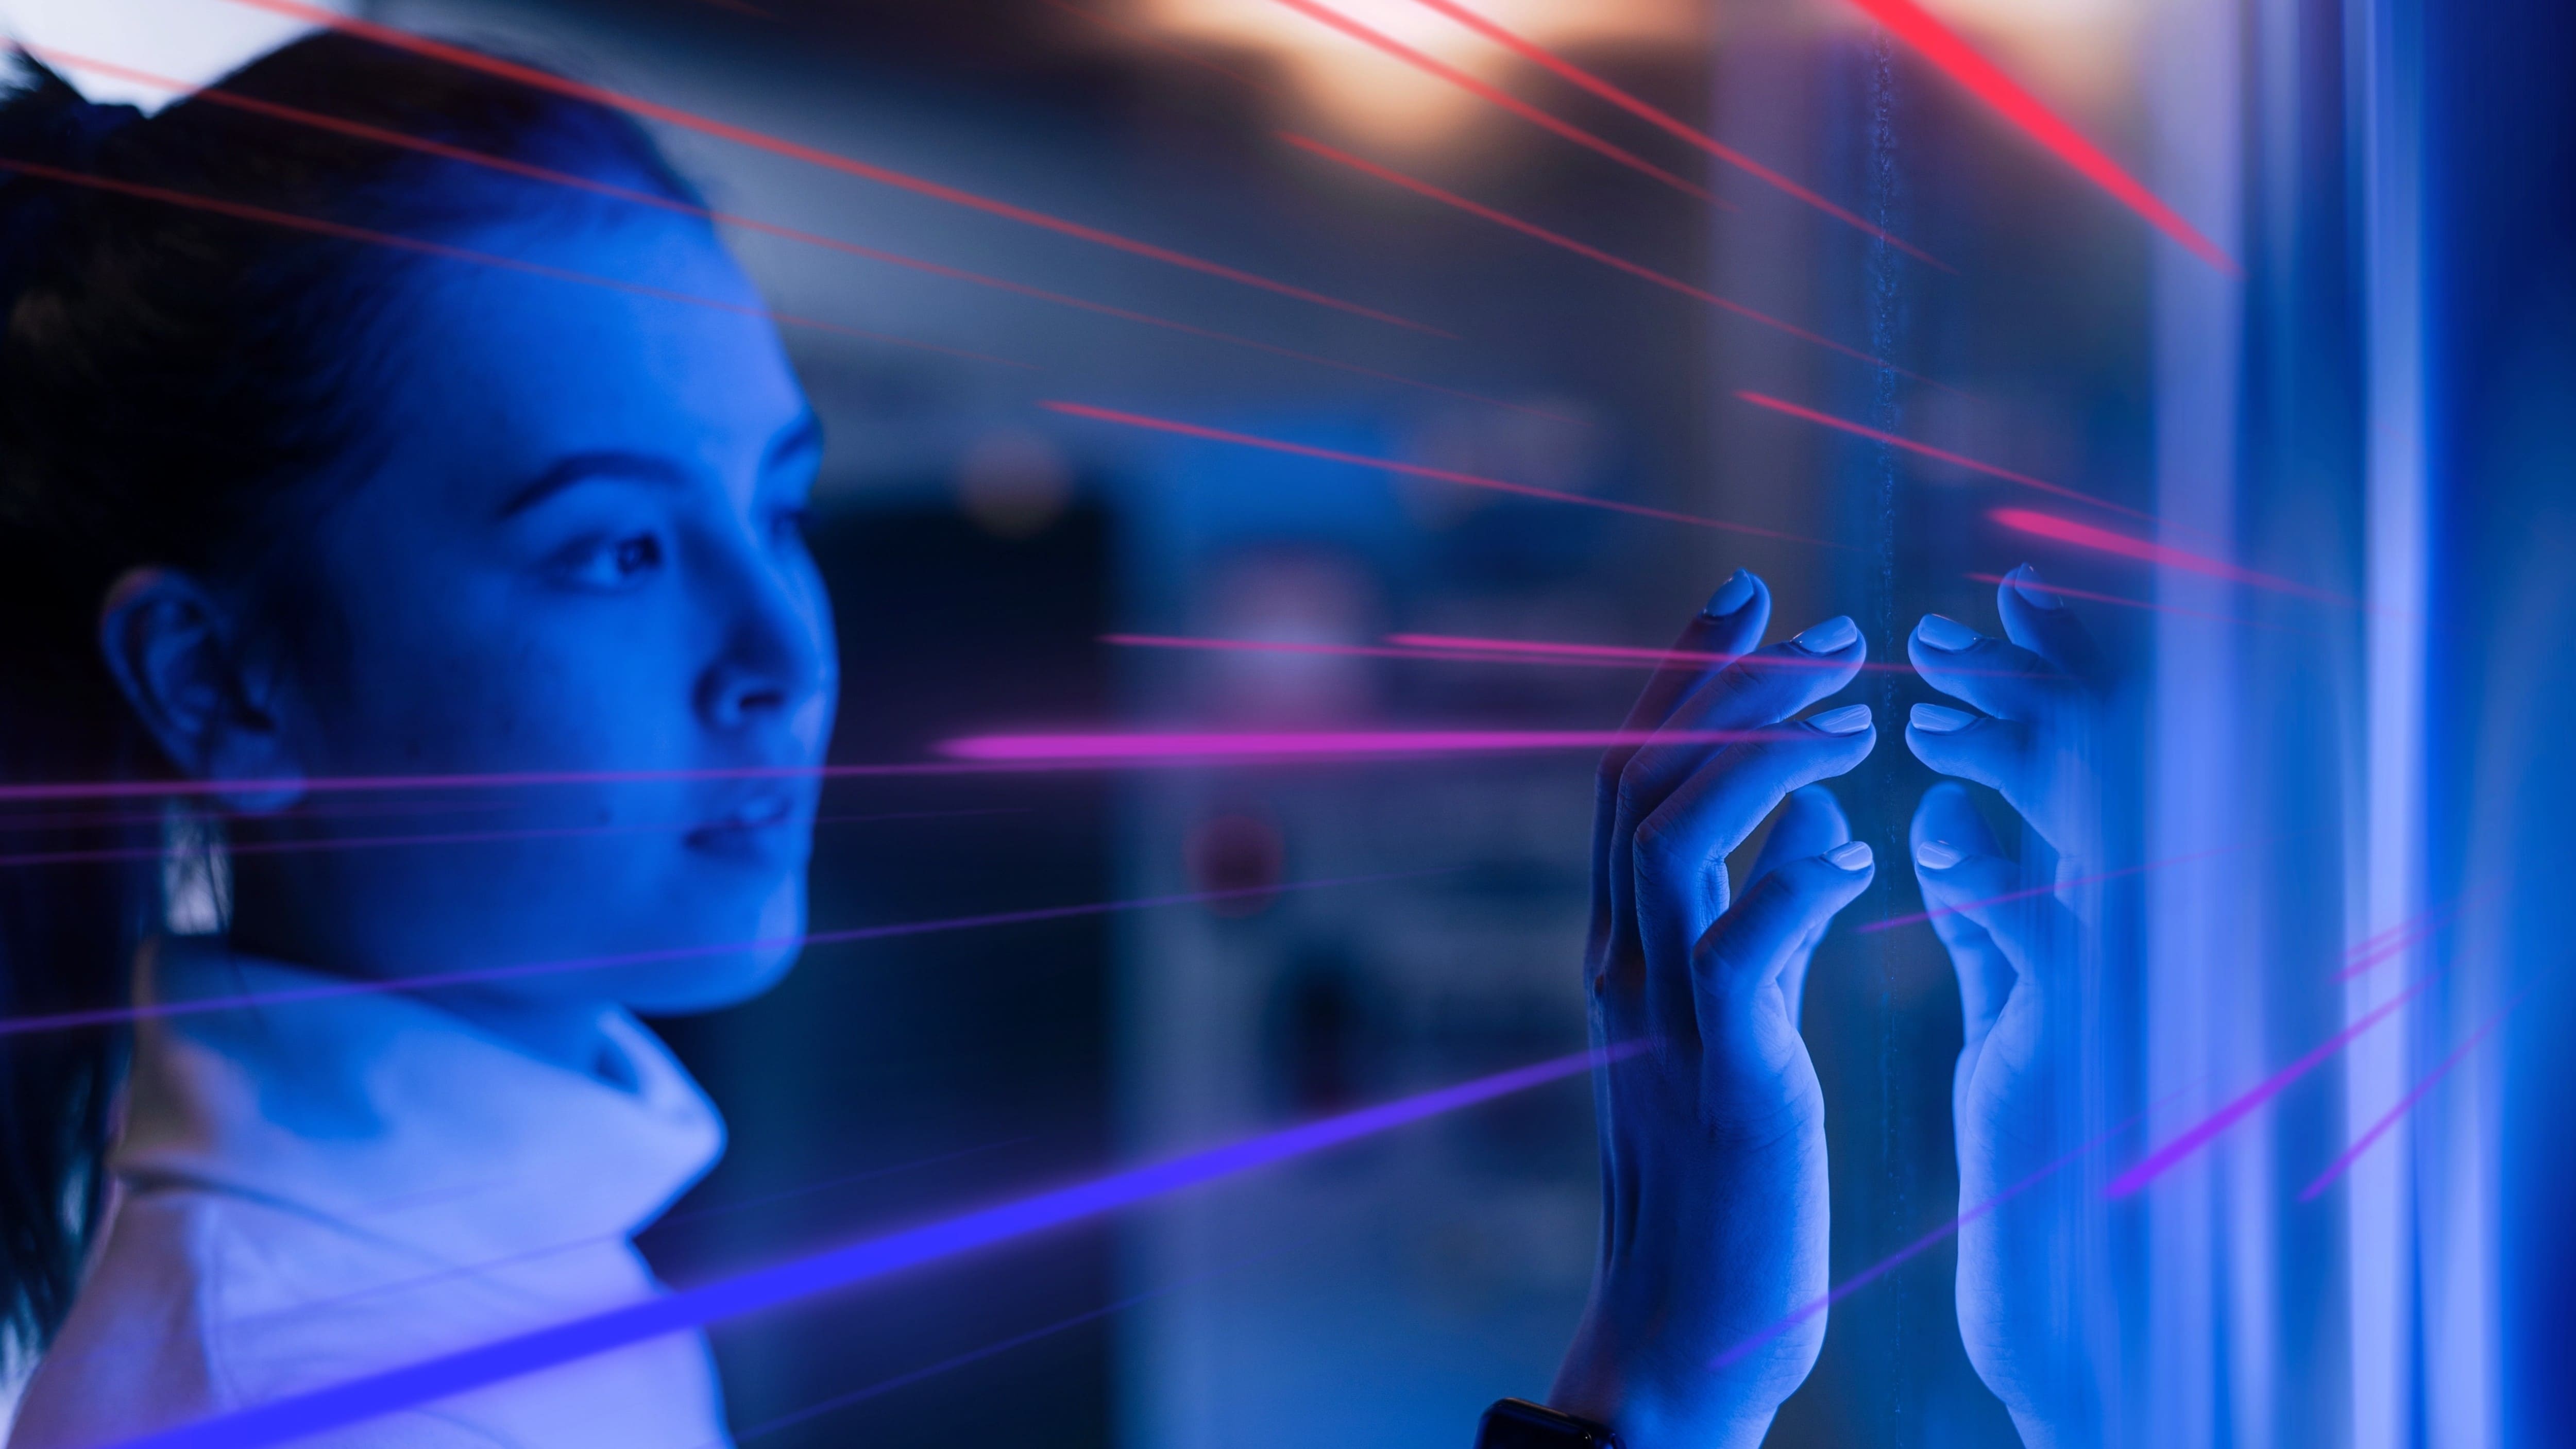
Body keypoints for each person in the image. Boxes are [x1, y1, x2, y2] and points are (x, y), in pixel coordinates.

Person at [0, 36, 830, 1445]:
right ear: (221, 684)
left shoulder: (507, 1275)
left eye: (780, 513)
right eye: (618, 550)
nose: (785, 659)